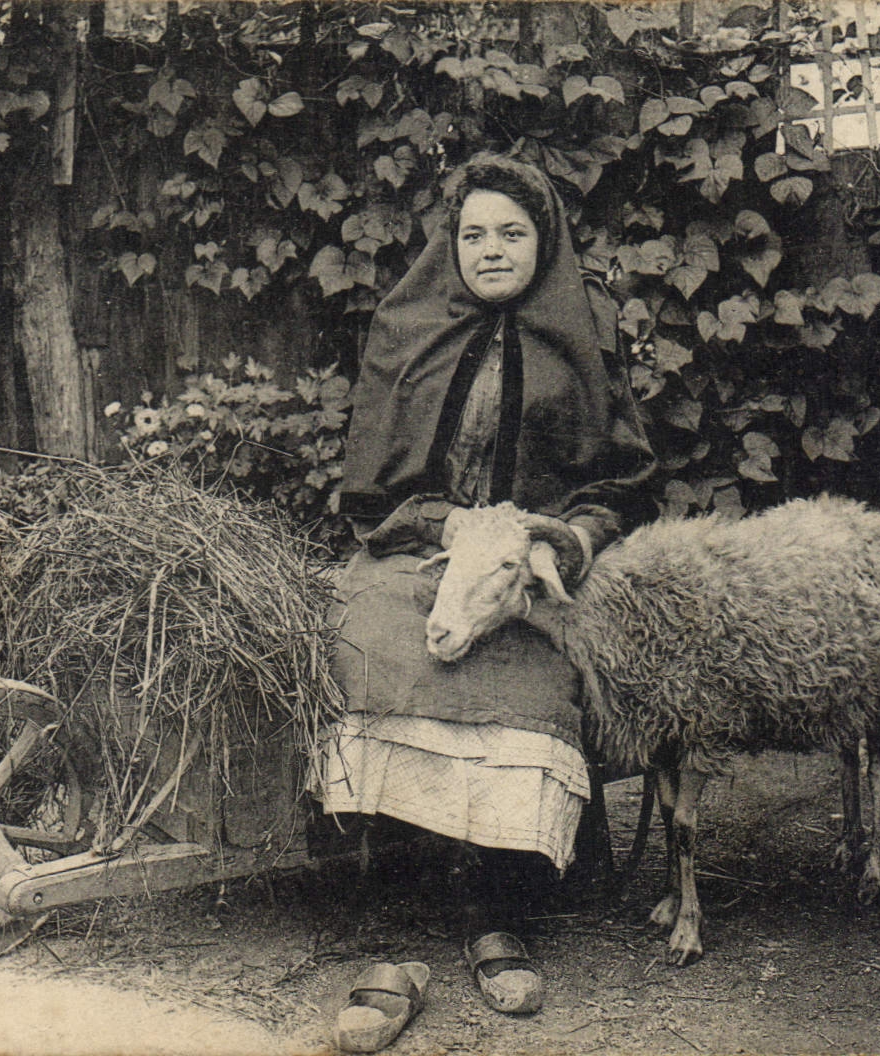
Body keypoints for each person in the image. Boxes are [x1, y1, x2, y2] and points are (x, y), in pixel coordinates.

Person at [317, 152, 657, 1052]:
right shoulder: (408, 328)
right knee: (372, 646)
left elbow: (623, 484)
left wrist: (566, 543)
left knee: (525, 673)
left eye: (513, 233)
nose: (492, 250)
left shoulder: (583, 337)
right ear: (451, 244)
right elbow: (372, 492)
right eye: (474, 235)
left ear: (544, 244)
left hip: (526, 570)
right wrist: (446, 524)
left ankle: (496, 913)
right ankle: (395, 924)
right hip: (415, 551)